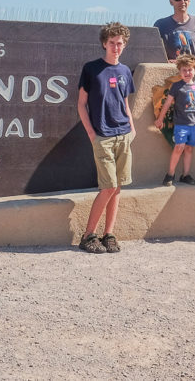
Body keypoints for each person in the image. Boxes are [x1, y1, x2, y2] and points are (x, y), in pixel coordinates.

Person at [76, 22, 136, 254]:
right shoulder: (91, 69)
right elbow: (81, 104)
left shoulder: (124, 71)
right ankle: (88, 234)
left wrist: (132, 129)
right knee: (108, 186)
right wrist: (92, 134)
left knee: (118, 187)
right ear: (104, 43)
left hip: (124, 135)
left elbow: (125, 103)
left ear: (124, 45)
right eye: (112, 42)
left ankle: (108, 234)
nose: (116, 47)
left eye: (120, 43)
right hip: (103, 136)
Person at [154, 53, 195, 186]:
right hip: (181, 123)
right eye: (184, 70)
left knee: (189, 149)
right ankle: (170, 174)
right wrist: (160, 119)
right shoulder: (176, 86)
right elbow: (167, 103)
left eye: (190, 69)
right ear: (180, 71)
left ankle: (185, 175)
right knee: (179, 147)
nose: (187, 72)